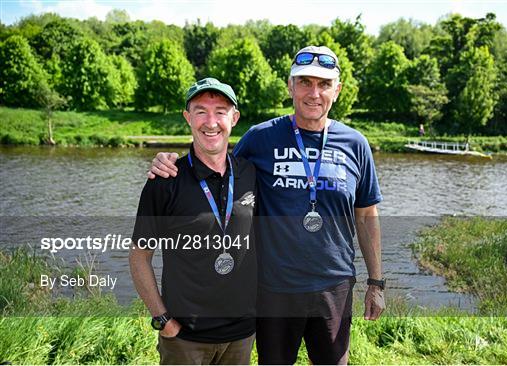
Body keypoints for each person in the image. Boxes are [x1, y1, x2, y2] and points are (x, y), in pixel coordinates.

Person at [148, 46, 385, 364]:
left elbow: (367, 215)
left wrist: (376, 282)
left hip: (335, 287)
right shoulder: (261, 138)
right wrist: (169, 164)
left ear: (337, 90)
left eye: (324, 84)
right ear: (290, 86)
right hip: (274, 289)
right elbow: (216, 169)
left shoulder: (355, 144)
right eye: (304, 83)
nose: (313, 93)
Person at [130, 78, 257, 365]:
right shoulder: (165, 181)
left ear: (234, 118)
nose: (210, 122)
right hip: (184, 339)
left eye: (220, 111)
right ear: (188, 117)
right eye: (201, 111)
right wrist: (163, 320)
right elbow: (139, 257)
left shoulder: (251, 173)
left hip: (242, 335)